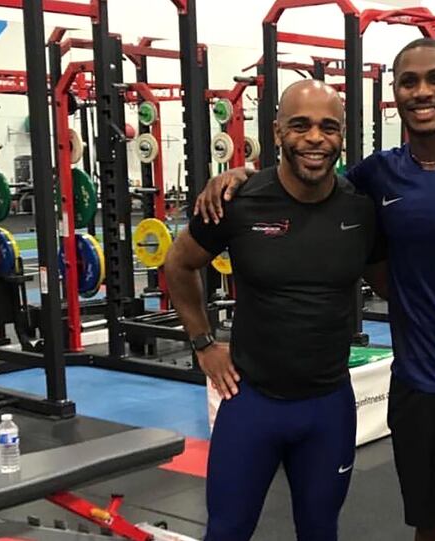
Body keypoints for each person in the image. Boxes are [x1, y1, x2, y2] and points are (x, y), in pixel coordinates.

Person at [195, 39, 435, 541]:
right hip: (413, 384)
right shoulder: (378, 175)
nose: (423, 92)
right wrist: (239, 177)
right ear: (394, 93)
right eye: (409, 82)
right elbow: (309, 178)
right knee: (429, 522)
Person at [165, 79, 385, 541]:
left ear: (342, 136)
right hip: (252, 403)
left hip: (328, 406)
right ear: (278, 131)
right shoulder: (237, 199)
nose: (314, 139)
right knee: (226, 532)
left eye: (328, 127)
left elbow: (396, 287)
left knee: (320, 531)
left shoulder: (361, 210)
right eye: (300, 125)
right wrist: (203, 343)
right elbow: (179, 264)